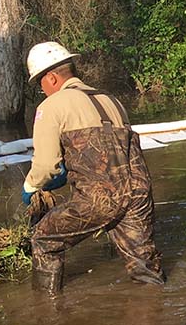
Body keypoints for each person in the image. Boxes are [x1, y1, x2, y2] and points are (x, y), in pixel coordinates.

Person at [23, 42, 165, 294]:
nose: (42, 92)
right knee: (145, 269)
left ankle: (46, 308)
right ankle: (155, 308)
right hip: (139, 195)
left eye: (40, 85)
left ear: (51, 78)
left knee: (44, 238)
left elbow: (46, 166)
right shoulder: (111, 99)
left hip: (99, 199)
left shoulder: (51, 106)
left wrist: (31, 186)